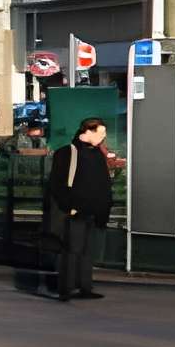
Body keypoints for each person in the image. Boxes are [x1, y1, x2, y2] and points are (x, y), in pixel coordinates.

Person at [40, 117, 116, 303]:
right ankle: (66, 288)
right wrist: (70, 206)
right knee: (72, 250)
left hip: (93, 210)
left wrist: (104, 208)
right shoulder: (68, 153)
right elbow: (57, 184)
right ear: (88, 132)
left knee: (87, 250)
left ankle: (84, 286)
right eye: (100, 132)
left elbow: (103, 183)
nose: (103, 137)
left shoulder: (97, 154)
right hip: (75, 211)